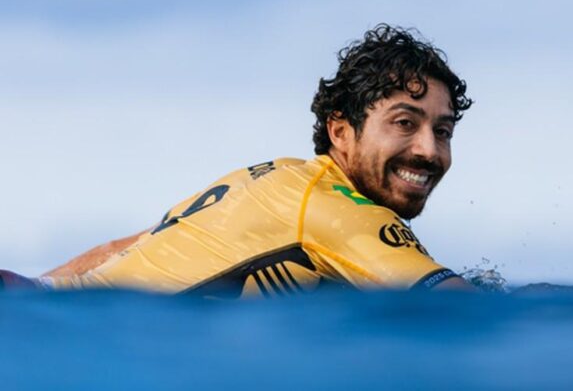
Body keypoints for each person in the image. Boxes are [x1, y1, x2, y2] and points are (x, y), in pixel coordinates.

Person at [1, 24, 474, 297]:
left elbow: (117, 251)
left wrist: (35, 306)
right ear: (340, 131)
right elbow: (457, 309)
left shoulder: (277, 177)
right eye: (404, 123)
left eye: (443, 131)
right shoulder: (339, 213)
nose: (429, 150)